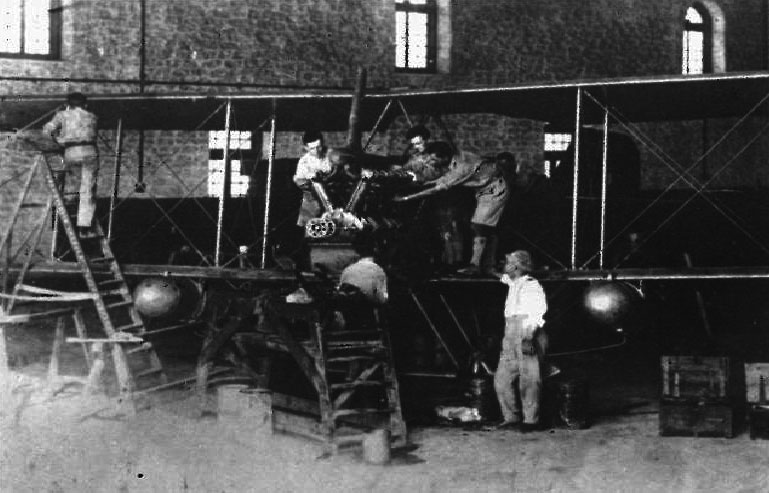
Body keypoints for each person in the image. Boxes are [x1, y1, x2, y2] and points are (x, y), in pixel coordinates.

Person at [423, 142, 511, 275]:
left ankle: (475, 266)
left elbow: (439, 187)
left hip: (494, 191)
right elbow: (444, 179)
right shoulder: (457, 158)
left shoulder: (462, 167)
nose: (431, 161)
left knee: (478, 226)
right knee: (487, 230)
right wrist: (425, 183)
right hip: (484, 191)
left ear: (445, 158)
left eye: (434, 159)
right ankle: (489, 265)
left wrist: (407, 197)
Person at [492, 250, 548, 431]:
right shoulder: (513, 282)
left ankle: (531, 420)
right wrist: (487, 270)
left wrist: (529, 336)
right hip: (510, 331)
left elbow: (538, 312)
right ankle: (511, 417)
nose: (505, 265)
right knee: (502, 378)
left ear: (516, 266)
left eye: (508, 262)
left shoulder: (532, 285)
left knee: (530, 379)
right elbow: (502, 277)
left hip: (526, 331)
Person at [42, 92, 100, 237]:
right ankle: (84, 227)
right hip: (90, 150)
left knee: (70, 178)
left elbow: (46, 131)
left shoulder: (62, 115)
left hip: (71, 151)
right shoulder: (93, 116)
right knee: (88, 188)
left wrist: (58, 140)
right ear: (85, 105)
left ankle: (67, 201)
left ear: (68, 105)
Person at [291, 129, 334, 270]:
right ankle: (307, 266)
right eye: (313, 148)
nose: (317, 150)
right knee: (311, 234)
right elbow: (303, 183)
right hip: (312, 202)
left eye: (319, 146)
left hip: (332, 198)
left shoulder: (330, 155)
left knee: (333, 232)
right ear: (305, 148)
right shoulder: (303, 162)